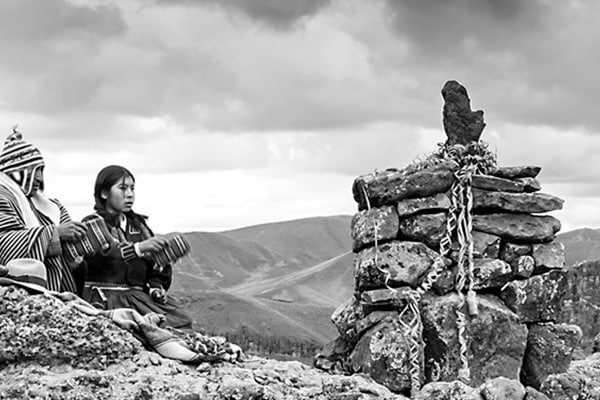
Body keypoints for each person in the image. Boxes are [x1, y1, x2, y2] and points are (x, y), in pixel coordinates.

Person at [82, 165, 192, 329]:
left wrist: (155, 287)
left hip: (137, 297)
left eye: (132, 188)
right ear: (104, 193)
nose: (130, 194)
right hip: (105, 297)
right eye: (122, 188)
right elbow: (103, 254)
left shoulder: (139, 227)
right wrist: (139, 248)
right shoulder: (92, 223)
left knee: (179, 322)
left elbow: (153, 267)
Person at [0, 128, 87, 294]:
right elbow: (4, 243)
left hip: (51, 291)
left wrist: (82, 243)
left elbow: (68, 246)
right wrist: (55, 233)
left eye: (41, 170)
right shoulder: (3, 197)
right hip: (11, 293)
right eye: (34, 170)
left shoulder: (51, 206)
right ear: (17, 170)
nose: (39, 178)